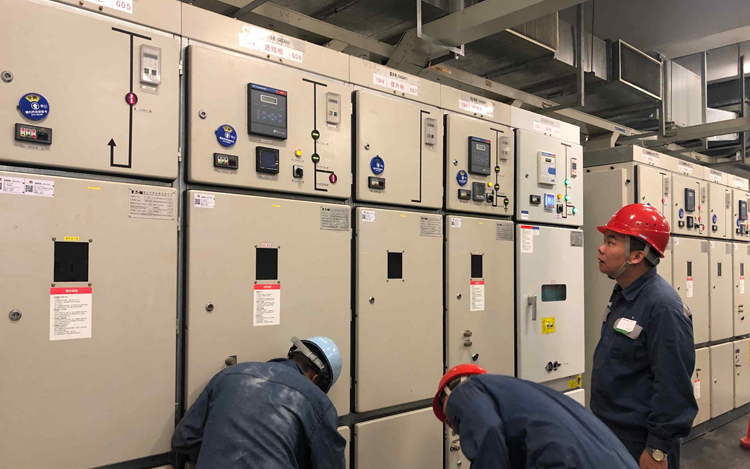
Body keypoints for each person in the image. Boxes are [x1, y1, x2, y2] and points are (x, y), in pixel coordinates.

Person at [592, 204, 698, 469]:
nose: (601, 248)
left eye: (611, 242)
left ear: (637, 256)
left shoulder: (663, 307)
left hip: (640, 442)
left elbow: (674, 386)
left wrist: (657, 450)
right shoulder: (623, 294)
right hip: (610, 431)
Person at [172, 336, 346, 469]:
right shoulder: (318, 402)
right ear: (316, 379)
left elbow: (184, 439)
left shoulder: (229, 375)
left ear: (289, 356)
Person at [433, 364, 639, 469]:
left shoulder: (463, 391)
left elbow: (488, 433)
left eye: (452, 421)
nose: (455, 428)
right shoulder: (523, 395)